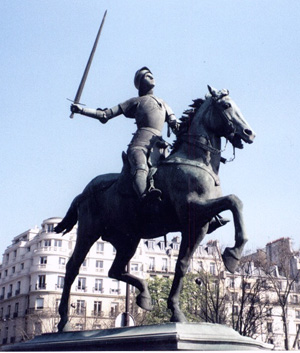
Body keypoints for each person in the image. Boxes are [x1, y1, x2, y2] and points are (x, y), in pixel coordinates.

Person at [71, 67, 180, 201]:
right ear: (140, 83)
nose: (151, 77)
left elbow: (175, 124)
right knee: (141, 168)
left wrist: (178, 127)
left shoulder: (163, 103)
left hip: (161, 149)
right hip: (140, 145)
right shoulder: (135, 101)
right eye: (147, 76)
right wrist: (82, 110)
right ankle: (145, 199)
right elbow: (105, 114)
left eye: (152, 75)